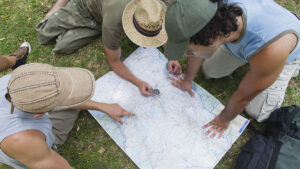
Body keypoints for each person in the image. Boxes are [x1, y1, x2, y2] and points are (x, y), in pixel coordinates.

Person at [164, 0, 300, 138]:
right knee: (211, 70)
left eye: (189, 51)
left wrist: (224, 119)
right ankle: (253, 61)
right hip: (246, 43)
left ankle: (286, 67)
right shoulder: (210, 14)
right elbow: (197, 42)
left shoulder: (271, 50)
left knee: (258, 112)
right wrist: (187, 80)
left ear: (212, 38)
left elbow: (243, 96)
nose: (187, 55)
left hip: (282, 52)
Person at [0, 63, 135, 169]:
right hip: (29, 151)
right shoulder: (25, 142)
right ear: (40, 114)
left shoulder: (17, 80)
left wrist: (102, 106)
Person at [36, 0, 181, 96]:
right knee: (46, 35)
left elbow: (160, 32)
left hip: (106, 15)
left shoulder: (154, 9)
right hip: (87, 9)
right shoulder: (115, 23)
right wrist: (138, 83)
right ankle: (66, 7)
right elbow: (115, 62)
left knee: (65, 44)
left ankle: (99, 24)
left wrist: (172, 55)